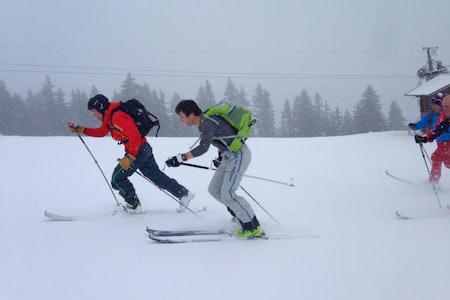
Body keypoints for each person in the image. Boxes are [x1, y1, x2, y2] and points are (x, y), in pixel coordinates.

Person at [68, 94, 194, 214]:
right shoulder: (110, 118)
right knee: (156, 176)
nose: (93, 114)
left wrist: (130, 156)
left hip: (137, 150)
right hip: (143, 148)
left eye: (94, 111)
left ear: (100, 107)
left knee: (117, 179)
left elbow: (134, 135)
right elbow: (101, 132)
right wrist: (81, 129)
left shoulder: (117, 117)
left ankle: (133, 206)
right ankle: (183, 194)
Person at [165, 99, 262, 239]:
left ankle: (252, 227)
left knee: (228, 193)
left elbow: (203, 148)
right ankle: (239, 214)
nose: (181, 119)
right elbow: (221, 139)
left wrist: (180, 158)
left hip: (238, 155)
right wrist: (220, 156)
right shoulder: (206, 123)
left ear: (191, 114)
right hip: (229, 157)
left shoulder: (208, 122)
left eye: (182, 116)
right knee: (214, 190)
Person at [414, 94, 450, 185]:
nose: (445, 108)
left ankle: (433, 181)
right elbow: (436, 131)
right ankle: (434, 179)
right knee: (447, 163)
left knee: (436, 157)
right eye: (444, 106)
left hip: (447, 143)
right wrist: (424, 138)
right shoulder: (443, 117)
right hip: (442, 144)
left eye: (447, 106)